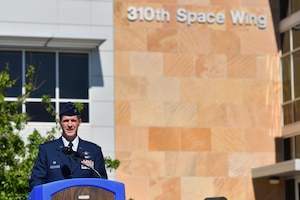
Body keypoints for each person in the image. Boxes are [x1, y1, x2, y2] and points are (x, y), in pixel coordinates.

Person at [29, 102, 108, 191]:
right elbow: (36, 181)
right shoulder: (47, 150)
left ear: (79, 122)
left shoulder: (93, 151)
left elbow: (101, 183)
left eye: (73, 120)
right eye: (66, 121)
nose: (70, 125)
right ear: (60, 123)